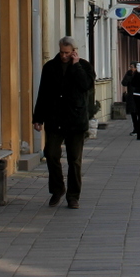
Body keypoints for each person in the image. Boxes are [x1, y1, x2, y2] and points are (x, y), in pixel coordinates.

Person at [33, 36, 94, 209]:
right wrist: (38, 118)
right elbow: (43, 93)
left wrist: (76, 66)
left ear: (74, 51)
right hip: (55, 118)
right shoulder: (50, 67)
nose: (64, 55)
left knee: (74, 160)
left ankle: (73, 196)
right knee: (51, 154)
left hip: (75, 120)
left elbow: (86, 86)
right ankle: (57, 189)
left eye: (67, 53)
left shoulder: (85, 66)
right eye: (61, 52)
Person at [120, 63, 137, 134]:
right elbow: (124, 83)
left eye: (132, 67)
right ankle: (135, 128)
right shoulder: (129, 74)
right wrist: (128, 76)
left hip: (138, 95)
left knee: (138, 113)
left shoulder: (139, 74)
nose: (130, 68)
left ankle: (139, 128)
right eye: (130, 67)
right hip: (131, 95)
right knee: (133, 112)